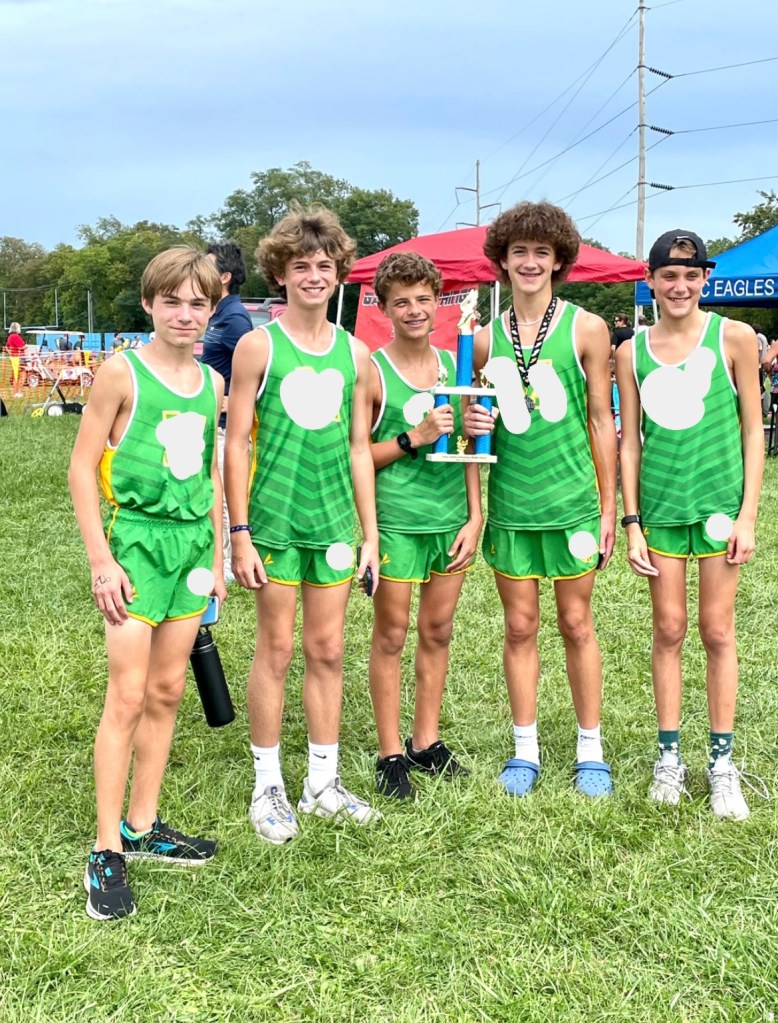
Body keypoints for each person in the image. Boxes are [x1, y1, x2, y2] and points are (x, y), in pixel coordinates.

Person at [68, 247, 226, 920]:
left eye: (197, 303)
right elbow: (81, 468)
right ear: (149, 304)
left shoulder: (212, 382)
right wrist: (102, 560)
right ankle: (106, 848)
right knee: (127, 695)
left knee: (166, 690)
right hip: (136, 546)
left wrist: (218, 554)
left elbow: (210, 472)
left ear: (212, 309)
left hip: (192, 551)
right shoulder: (121, 372)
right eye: (172, 302)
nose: (184, 314)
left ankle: (142, 824)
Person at [225, 205, 381, 844]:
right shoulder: (258, 346)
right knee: (277, 649)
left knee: (328, 649)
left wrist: (370, 534)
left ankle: (322, 783)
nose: (313, 276)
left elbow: (359, 448)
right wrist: (239, 532)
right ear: (280, 274)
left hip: (335, 525)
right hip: (273, 524)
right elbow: (236, 442)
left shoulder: (356, 353)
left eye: (323, 265)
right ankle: (267, 785)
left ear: (339, 272)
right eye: (300, 266)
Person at [464, 201, 617, 798]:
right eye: (519, 252)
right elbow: (473, 430)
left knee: (577, 624)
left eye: (541, 253)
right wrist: (472, 422)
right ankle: (524, 749)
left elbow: (601, 421)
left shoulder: (587, 328)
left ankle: (590, 749)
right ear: (502, 261)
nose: (530, 262)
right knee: (520, 626)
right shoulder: (482, 342)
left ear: (559, 261)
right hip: (512, 506)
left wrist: (609, 509)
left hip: (572, 502)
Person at [616, 230, 764, 819]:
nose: (680, 286)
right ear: (650, 280)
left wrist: (748, 515)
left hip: (720, 510)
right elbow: (630, 442)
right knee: (669, 629)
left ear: (705, 279)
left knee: (717, 631)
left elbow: (753, 430)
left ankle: (722, 764)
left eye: (691, 275)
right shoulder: (631, 352)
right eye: (669, 276)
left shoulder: (734, 337)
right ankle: (669, 758)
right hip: (660, 510)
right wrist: (632, 522)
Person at [366, 252, 482, 799]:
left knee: (438, 631)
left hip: (449, 519)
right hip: (396, 521)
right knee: (391, 634)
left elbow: (470, 447)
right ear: (385, 308)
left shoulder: (456, 365)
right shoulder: (373, 370)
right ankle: (390, 752)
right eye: (401, 302)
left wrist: (475, 515)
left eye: (423, 299)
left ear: (440, 302)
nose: (414, 310)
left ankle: (425, 741)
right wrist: (414, 436)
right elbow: (359, 456)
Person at [200, 242, 253, 582]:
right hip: (211, 423)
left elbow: (259, 369)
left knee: (220, 496)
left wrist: (234, 400)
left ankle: (229, 564)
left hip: (226, 426)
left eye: (206, 267)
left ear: (225, 277)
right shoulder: (215, 312)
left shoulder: (234, 318)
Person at [5, 322, 26, 396]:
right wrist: (27, 346)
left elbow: (6, 347)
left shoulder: (10, 336)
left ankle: (15, 392)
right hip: (18, 358)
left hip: (13, 357)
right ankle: (18, 392)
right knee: (22, 374)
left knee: (16, 375)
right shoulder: (16, 336)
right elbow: (22, 347)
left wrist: (11, 353)